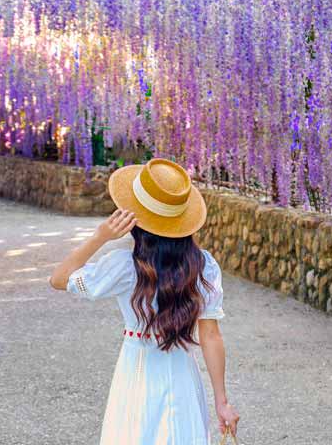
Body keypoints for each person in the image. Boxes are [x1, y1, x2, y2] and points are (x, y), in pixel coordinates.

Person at [49, 158, 241, 444]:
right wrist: (222, 400)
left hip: (135, 370)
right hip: (182, 373)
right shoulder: (203, 265)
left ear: (135, 219)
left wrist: (99, 237)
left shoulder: (123, 265)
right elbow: (211, 335)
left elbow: (59, 279)